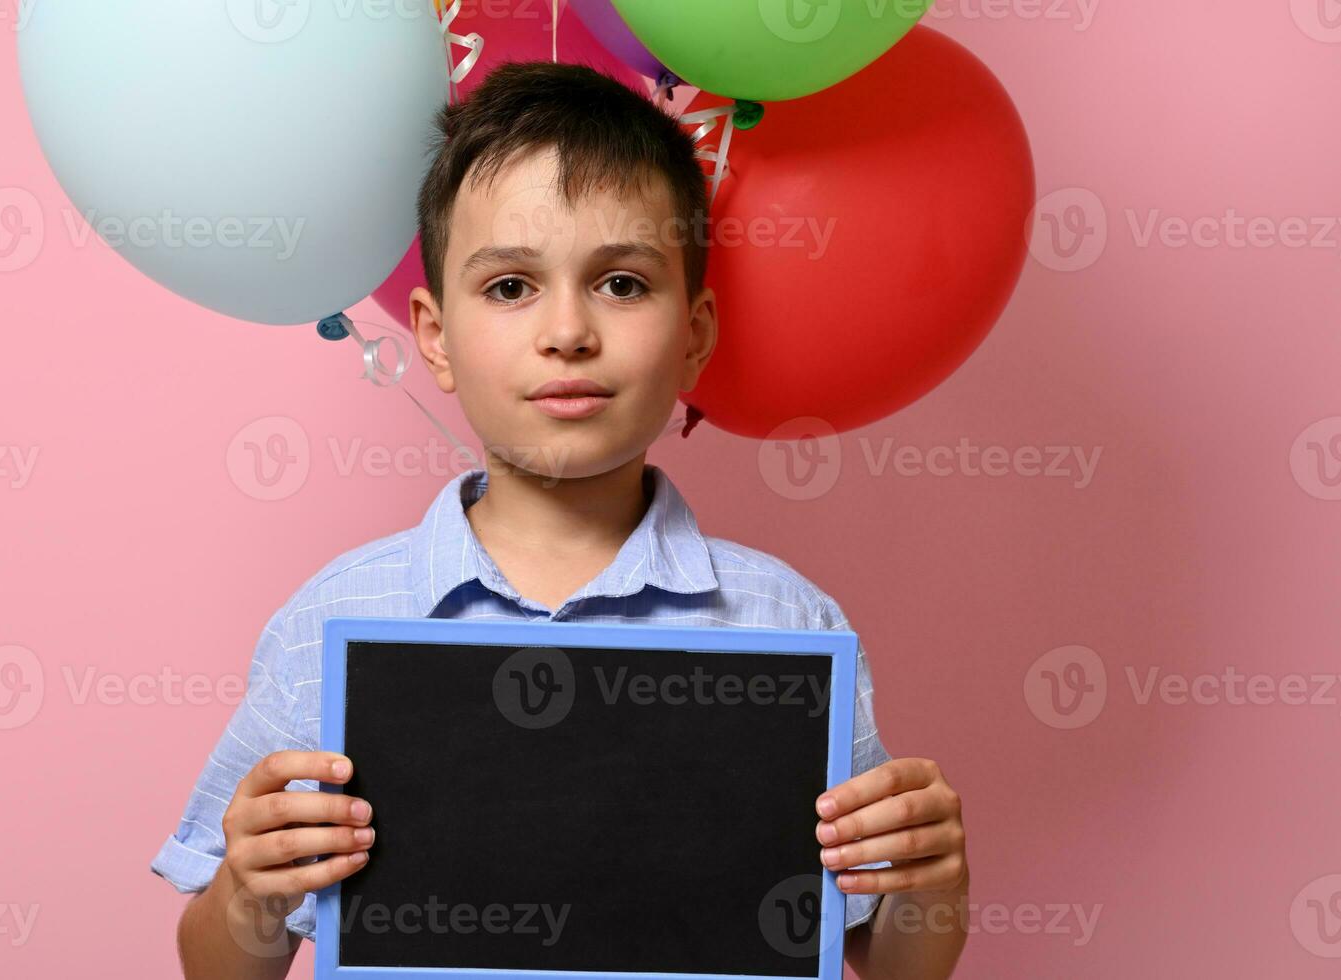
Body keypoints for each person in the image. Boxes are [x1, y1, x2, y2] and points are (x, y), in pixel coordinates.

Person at [151, 61, 968, 980]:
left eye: (621, 283)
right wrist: (248, 892)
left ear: (694, 333)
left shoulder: (786, 624)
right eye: (509, 288)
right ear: (433, 336)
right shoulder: (330, 625)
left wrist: (931, 885)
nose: (568, 330)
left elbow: (889, 962)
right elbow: (219, 967)